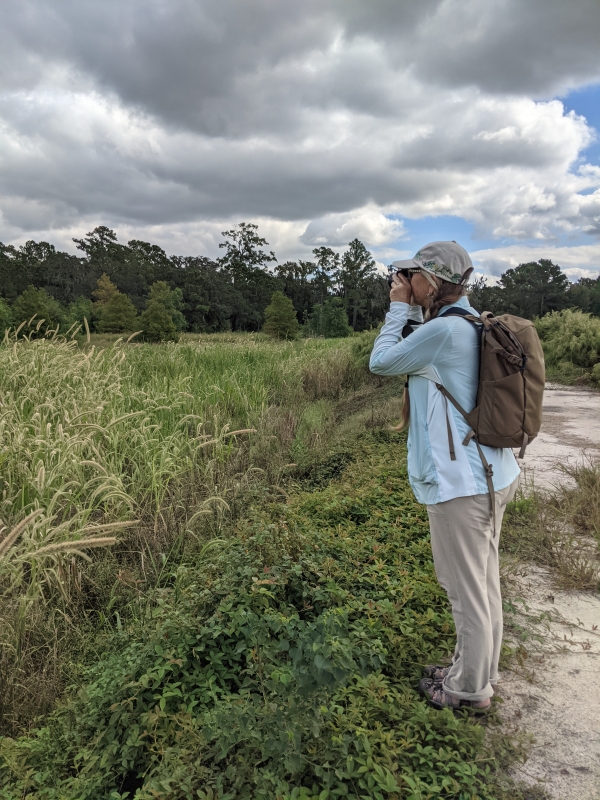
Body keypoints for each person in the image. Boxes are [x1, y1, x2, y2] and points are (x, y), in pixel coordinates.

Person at [369, 241, 520, 712]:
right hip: (491, 472)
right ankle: (472, 669)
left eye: (409, 274)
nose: (402, 282)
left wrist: (396, 309)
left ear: (430, 281)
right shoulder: (466, 323)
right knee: (482, 581)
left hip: (463, 484)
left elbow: (381, 362)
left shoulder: (444, 332)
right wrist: (409, 308)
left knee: (465, 588)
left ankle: (468, 691)